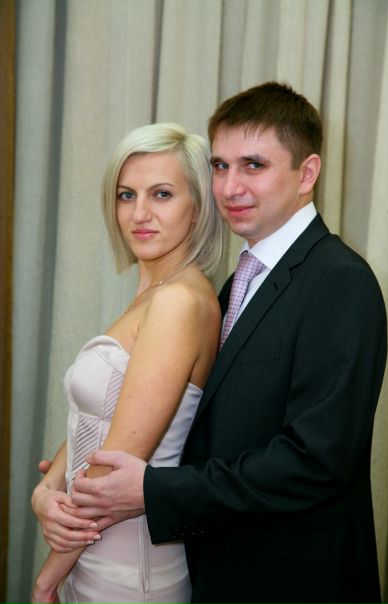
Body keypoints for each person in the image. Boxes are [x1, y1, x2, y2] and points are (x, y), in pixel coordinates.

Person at [38, 82, 387, 604]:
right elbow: (198, 431)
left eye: (253, 166)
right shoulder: (237, 284)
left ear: (307, 173)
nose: (229, 186)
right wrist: (59, 480)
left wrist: (154, 491)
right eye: (220, 166)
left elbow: (317, 462)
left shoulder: (340, 280)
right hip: (215, 567)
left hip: (293, 582)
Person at [31, 122, 224, 603]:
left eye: (162, 194)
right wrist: (46, 490)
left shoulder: (179, 302)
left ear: (198, 207)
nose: (139, 213)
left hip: (129, 575)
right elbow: (103, 420)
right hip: (97, 556)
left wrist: (46, 579)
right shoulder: (154, 295)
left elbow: (115, 465)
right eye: (126, 195)